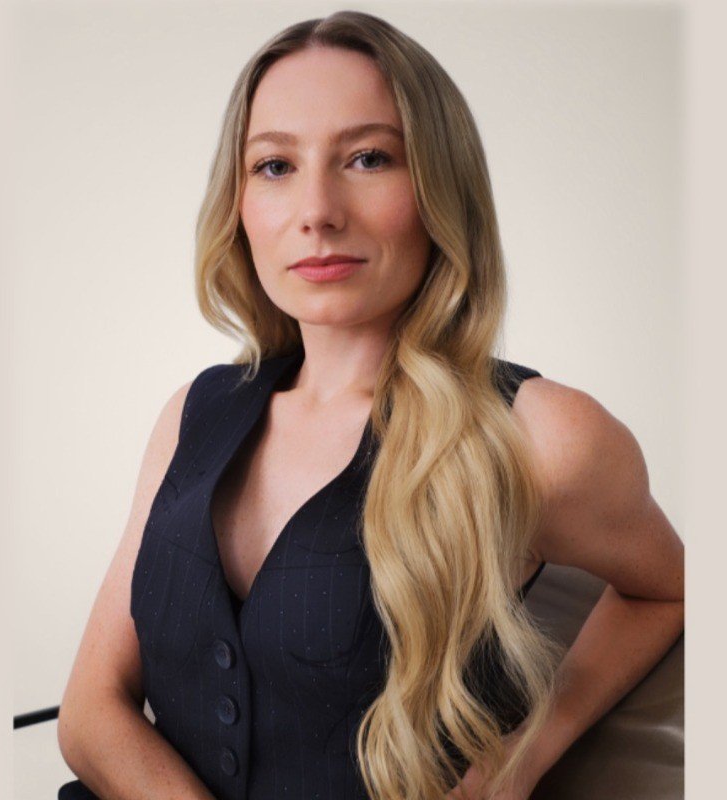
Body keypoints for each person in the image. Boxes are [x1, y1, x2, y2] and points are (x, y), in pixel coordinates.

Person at [56, 10, 684, 800]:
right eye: (275, 166)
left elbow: (673, 585)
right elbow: (89, 713)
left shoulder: (538, 434)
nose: (316, 209)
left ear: (439, 188)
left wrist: (515, 765)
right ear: (239, 204)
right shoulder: (195, 412)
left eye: (367, 157)